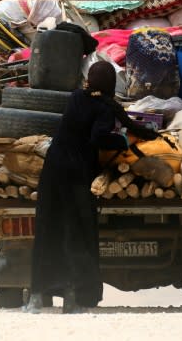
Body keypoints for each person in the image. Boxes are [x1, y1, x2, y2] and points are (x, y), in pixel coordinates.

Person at [24, 60, 160, 314]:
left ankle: (36, 296)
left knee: (48, 227)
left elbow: (122, 119)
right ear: (110, 84)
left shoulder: (77, 97)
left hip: (53, 168)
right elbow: (99, 136)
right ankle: (74, 298)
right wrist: (125, 141)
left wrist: (135, 129)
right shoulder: (107, 107)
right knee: (77, 230)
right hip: (77, 170)